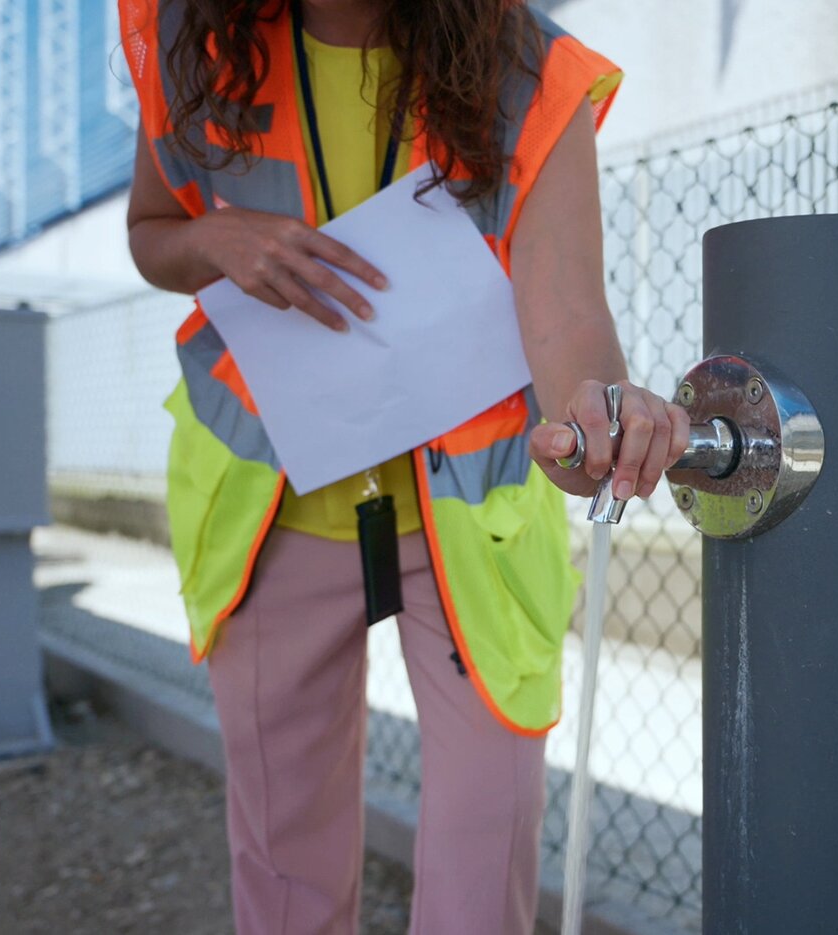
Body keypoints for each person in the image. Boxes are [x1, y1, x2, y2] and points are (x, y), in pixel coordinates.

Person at [119, 1, 688, 932]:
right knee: (284, 872)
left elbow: (569, 322)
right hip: (269, 506)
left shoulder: (534, 71)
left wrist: (595, 426)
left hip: (472, 518)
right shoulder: (185, 37)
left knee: (482, 864)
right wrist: (213, 243)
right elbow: (151, 231)